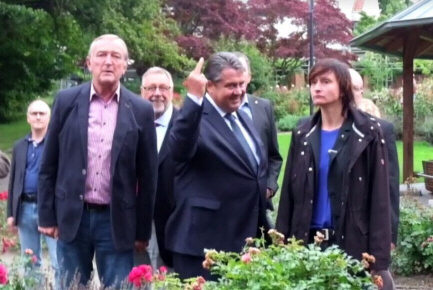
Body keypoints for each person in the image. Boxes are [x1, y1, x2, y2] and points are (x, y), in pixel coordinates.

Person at [37, 34, 158, 288]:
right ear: (89, 63)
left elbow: (148, 178)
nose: (108, 62)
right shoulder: (66, 101)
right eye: (101, 55)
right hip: (73, 218)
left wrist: (142, 232)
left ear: (125, 66)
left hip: (116, 223)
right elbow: (49, 165)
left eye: (116, 56)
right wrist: (47, 216)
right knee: (71, 285)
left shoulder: (141, 109)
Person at [276, 59, 393, 289]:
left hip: (351, 244)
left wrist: (378, 261)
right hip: (306, 245)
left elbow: (380, 198)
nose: (316, 87)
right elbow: (289, 195)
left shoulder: (367, 132)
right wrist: (281, 244)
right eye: (313, 82)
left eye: (325, 81)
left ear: (343, 88)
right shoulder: (302, 132)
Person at [165, 52, 269, 280]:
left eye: (242, 84)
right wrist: (193, 97)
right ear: (210, 86)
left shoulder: (241, 116)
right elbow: (179, 151)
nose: (240, 91)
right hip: (204, 245)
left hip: (245, 238)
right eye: (231, 85)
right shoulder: (195, 118)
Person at [6, 100, 59, 287]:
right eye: (34, 113)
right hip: (25, 209)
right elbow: (13, 181)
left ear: (49, 118)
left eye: (42, 113)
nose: (38, 117)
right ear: (28, 118)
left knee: (58, 261)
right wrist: (11, 213)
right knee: (30, 261)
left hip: (51, 211)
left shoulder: (57, 144)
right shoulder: (20, 146)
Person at [350, 68, 400, 249]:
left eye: (355, 88)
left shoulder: (383, 129)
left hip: (369, 224)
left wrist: (391, 234)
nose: (350, 93)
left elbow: (391, 182)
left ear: (362, 92)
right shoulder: (322, 129)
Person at [139, 67, 178, 269]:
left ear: (172, 91)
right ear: (141, 91)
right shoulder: (129, 123)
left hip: (174, 226)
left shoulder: (186, 125)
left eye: (163, 87)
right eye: (151, 87)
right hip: (135, 227)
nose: (157, 93)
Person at [234, 52, 282, 213]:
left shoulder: (263, 107)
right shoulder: (212, 111)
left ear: (249, 76)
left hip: (259, 203)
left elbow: (274, 155)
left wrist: (269, 186)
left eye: (241, 71)